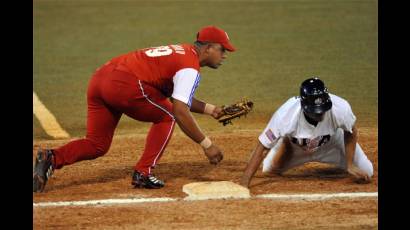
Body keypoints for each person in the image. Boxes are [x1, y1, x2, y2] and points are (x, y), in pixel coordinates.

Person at [33, 25, 236, 192]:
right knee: (168, 116)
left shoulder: (182, 52)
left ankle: (51, 157)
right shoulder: (190, 67)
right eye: (222, 49)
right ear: (208, 48)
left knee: (97, 144)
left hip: (100, 79)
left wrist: (212, 110)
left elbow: (178, 95)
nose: (225, 55)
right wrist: (207, 144)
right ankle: (143, 172)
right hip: (124, 83)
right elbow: (180, 109)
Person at [240, 77, 373, 188]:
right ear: (303, 105)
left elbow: (351, 132)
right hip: (295, 148)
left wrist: (350, 164)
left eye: (322, 109)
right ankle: (284, 143)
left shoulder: (340, 108)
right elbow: (262, 147)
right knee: (268, 170)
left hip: (332, 143)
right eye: (315, 111)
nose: (320, 114)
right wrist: (244, 182)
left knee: (367, 171)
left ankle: (342, 164)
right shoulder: (285, 115)